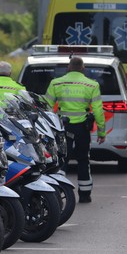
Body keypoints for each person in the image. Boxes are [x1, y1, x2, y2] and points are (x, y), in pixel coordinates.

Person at [45, 56, 105, 203]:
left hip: (62, 128)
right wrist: (101, 132)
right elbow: (98, 110)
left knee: (61, 160)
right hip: (82, 128)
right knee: (83, 160)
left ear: (69, 67)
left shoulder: (56, 83)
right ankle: (85, 194)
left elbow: (46, 107)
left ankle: (58, 192)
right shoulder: (92, 85)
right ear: (82, 68)